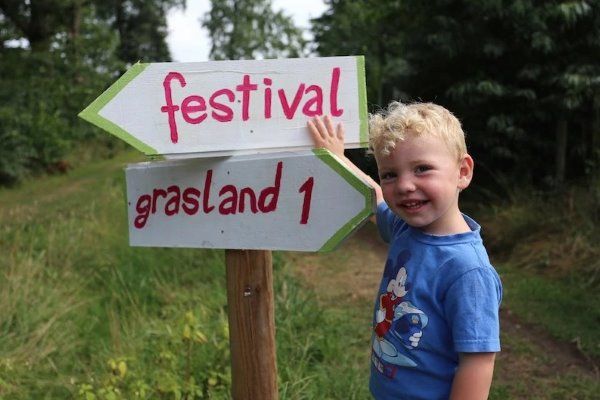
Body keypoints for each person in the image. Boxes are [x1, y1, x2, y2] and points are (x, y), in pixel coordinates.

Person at [307, 102, 502, 400]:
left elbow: (478, 362)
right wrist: (338, 158)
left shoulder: (468, 270)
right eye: (390, 174)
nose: (404, 186)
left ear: (462, 172)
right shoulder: (405, 228)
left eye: (422, 169)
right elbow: (372, 195)